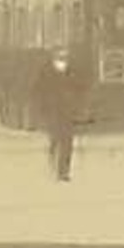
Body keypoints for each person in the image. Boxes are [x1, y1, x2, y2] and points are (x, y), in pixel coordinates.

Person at [34, 52, 87, 181]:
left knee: (67, 142)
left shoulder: (72, 73)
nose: (62, 62)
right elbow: (39, 91)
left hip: (68, 112)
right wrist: (44, 108)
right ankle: (55, 162)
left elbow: (80, 89)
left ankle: (63, 171)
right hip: (54, 111)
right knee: (57, 139)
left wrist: (77, 104)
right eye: (60, 59)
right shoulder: (47, 74)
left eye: (64, 59)